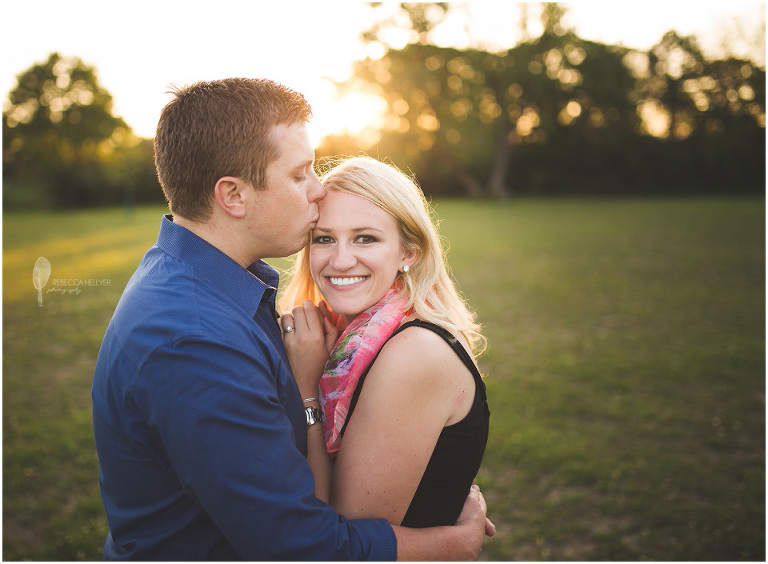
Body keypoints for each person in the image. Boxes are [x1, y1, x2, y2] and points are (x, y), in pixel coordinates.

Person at [91, 78, 493, 561]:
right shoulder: (195, 339)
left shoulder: (215, 288)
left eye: (365, 238)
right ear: (233, 196)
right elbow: (301, 546)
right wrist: (455, 542)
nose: (317, 188)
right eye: (300, 173)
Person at [279, 156, 491, 529]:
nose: (341, 260)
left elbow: (346, 538)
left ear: (409, 253)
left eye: (366, 238)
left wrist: (308, 388)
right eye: (324, 238)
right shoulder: (348, 340)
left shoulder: (415, 352)